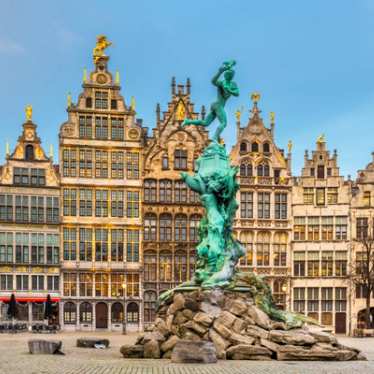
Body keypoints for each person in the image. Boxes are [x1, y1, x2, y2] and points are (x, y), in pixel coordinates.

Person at [182, 60, 239, 142]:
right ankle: (215, 138)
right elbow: (213, 81)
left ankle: (188, 121)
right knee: (224, 123)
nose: (229, 76)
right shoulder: (222, 83)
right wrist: (219, 72)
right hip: (218, 105)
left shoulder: (232, 84)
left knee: (205, 123)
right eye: (227, 75)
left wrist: (229, 90)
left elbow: (237, 93)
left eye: (230, 75)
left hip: (217, 105)